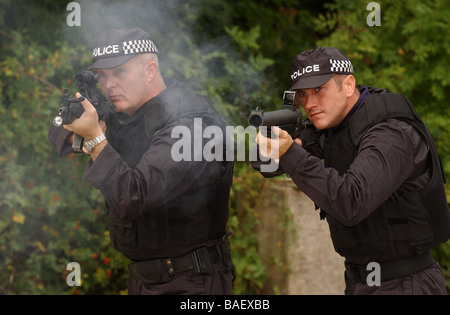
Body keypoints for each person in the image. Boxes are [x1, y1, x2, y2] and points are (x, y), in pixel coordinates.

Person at [49, 28, 235, 295]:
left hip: (191, 281)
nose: (109, 84)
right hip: (144, 280)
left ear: (149, 71)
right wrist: (92, 122)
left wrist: (94, 137)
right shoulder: (128, 112)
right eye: (102, 76)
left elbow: (132, 196)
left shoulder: (194, 126)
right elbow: (57, 131)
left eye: (120, 72)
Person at [254, 47, 450, 295]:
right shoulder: (333, 126)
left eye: (319, 90)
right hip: (361, 281)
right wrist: (269, 149)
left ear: (348, 86)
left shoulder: (390, 133)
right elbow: (270, 167)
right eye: (302, 95)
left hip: (405, 283)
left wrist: (291, 153)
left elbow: (351, 202)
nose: (310, 104)